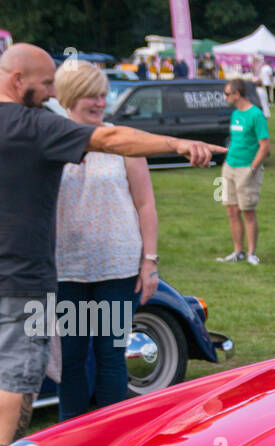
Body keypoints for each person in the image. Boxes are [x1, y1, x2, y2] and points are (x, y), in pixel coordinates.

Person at [0, 43, 221, 446]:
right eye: (45, 85)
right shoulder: (38, 126)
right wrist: (177, 143)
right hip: (41, 272)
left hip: (7, 269)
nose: (48, 94)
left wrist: (148, 261)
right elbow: (107, 140)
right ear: (20, 80)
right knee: (33, 370)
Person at [52, 59, 158, 422]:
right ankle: (71, 430)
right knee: (72, 355)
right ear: (69, 97)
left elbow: (145, 203)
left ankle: (111, 432)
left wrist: (150, 262)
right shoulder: (49, 139)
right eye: (89, 97)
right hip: (67, 268)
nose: (99, 103)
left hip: (116, 266)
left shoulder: (123, 142)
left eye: (102, 96)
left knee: (111, 353)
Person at [218, 78, 270, 265]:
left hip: (247, 168)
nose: (225, 97)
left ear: (237, 94)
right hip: (230, 166)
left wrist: (252, 168)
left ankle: (251, 253)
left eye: (227, 93)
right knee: (231, 210)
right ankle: (237, 251)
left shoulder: (256, 115)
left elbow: (265, 146)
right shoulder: (235, 115)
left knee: (247, 210)